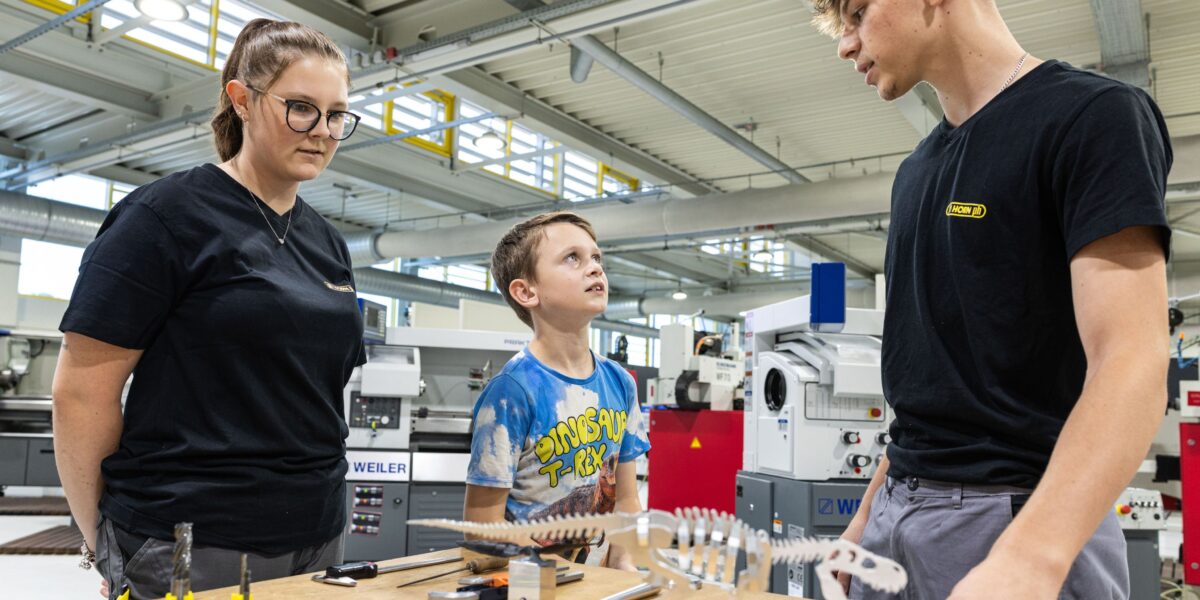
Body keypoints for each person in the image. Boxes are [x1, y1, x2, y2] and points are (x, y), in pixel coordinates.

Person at [808, 1, 1172, 598]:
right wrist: (866, 516)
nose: (846, 45)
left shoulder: (1091, 117)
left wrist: (1032, 558)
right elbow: (932, 395)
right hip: (896, 519)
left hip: (1017, 519)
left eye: (856, 13)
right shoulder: (916, 172)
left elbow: (1132, 360)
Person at [52, 19, 366, 599]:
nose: (322, 131)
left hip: (317, 533)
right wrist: (104, 540)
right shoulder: (164, 217)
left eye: (336, 115)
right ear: (242, 100)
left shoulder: (327, 243)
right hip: (189, 537)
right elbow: (81, 391)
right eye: (301, 108)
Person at [463, 212, 651, 570]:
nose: (595, 268)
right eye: (572, 258)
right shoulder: (511, 392)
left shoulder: (620, 383)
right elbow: (482, 527)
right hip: (535, 585)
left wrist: (624, 569)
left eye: (597, 258)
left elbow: (626, 500)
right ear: (526, 291)